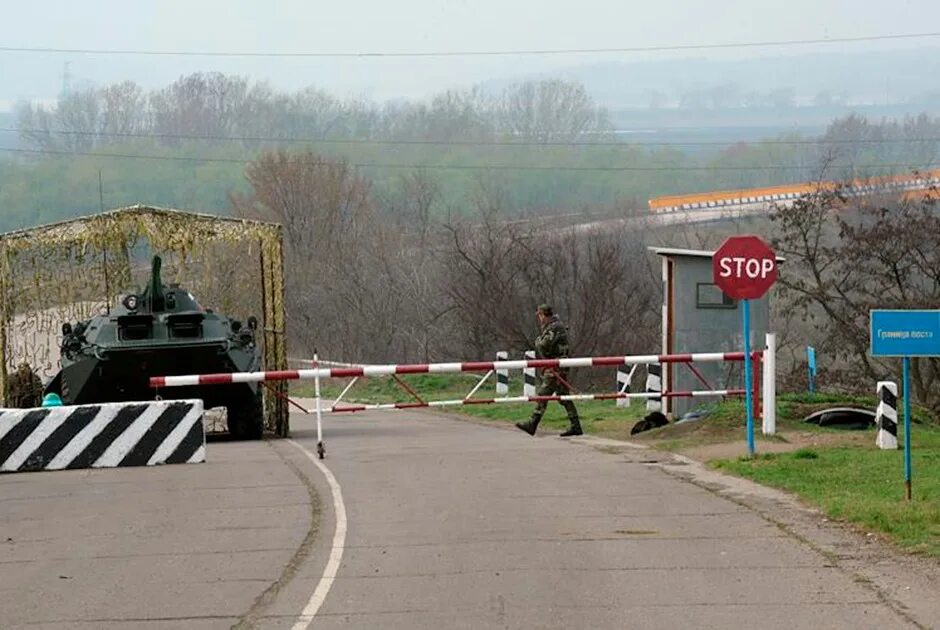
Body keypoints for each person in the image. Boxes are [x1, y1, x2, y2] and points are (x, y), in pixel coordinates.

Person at [515, 304, 582, 437]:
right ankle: (576, 426)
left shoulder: (554, 327)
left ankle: (533, 423)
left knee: (543, 394)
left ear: (543, 315)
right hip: (556, 364)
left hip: (556, 365)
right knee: (564, 397)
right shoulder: (555, 326)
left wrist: (538, 341)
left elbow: (544, 344)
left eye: (540, 315)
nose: (539, 319)